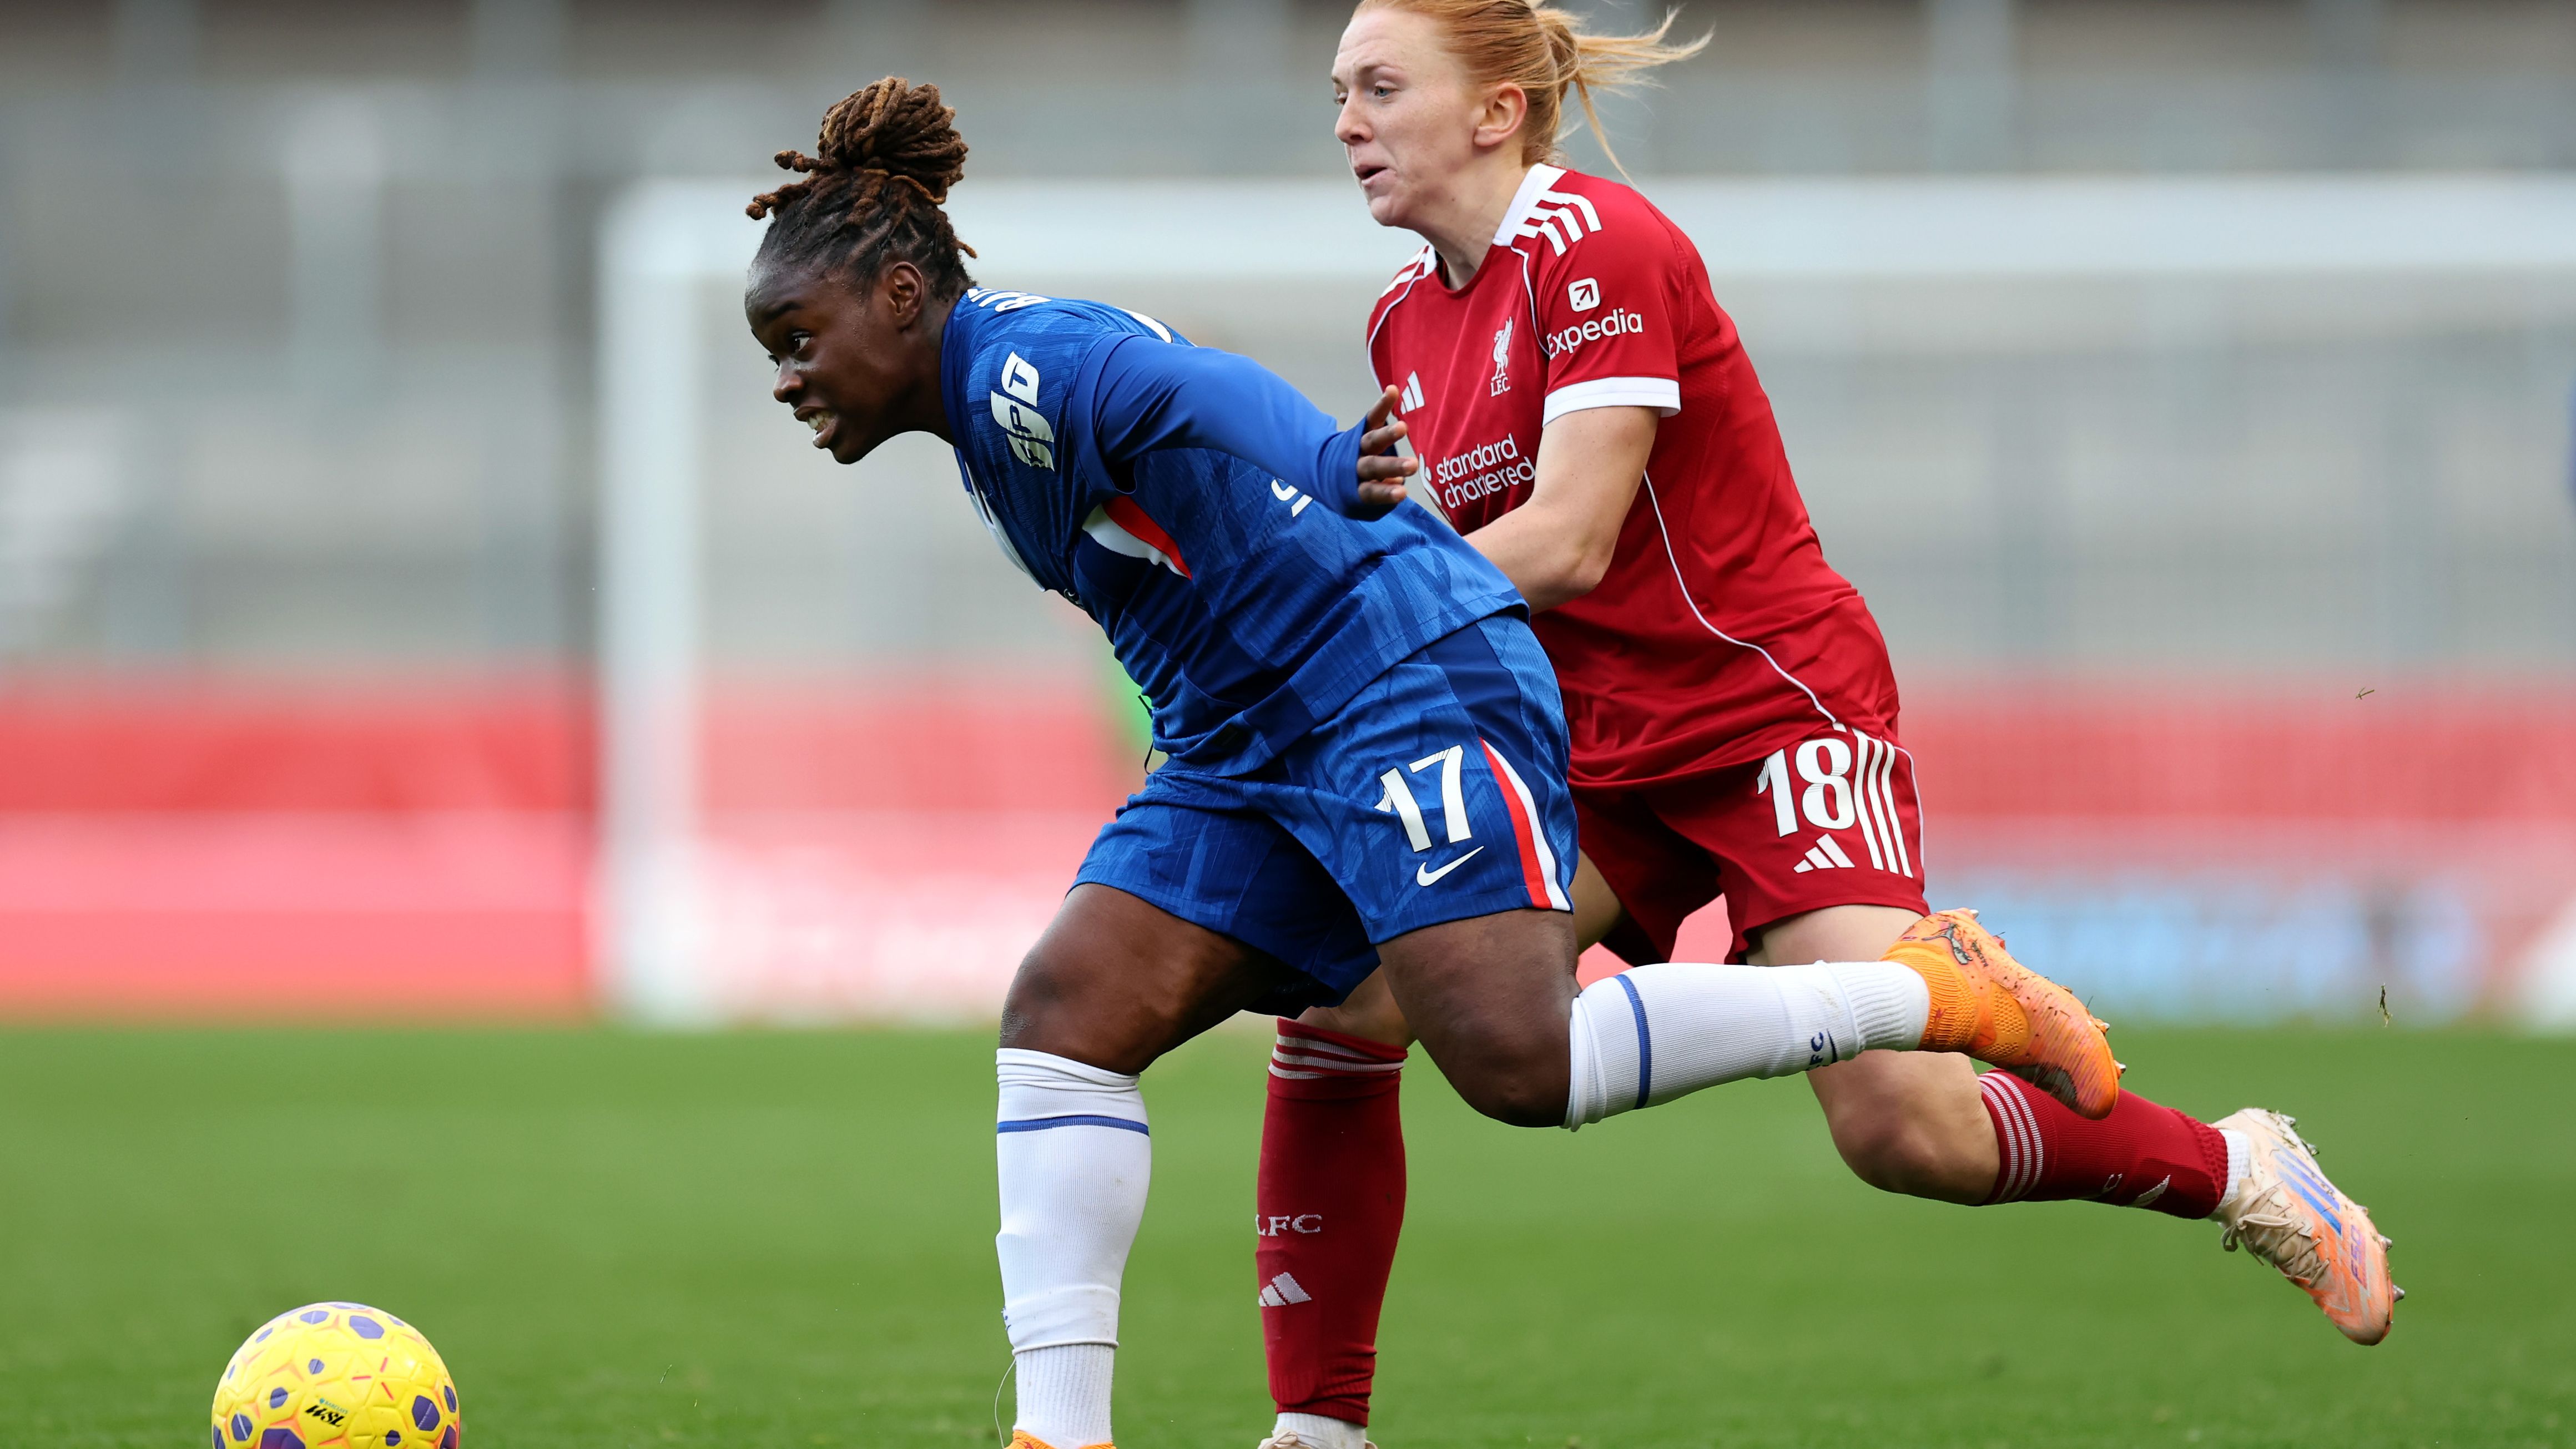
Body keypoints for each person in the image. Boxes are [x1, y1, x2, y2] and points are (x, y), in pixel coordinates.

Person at [744, 78, 2120, 1449]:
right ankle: (1069, 1435)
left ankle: (1914, 992)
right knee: (1064, 1015)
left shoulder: (1024, 366)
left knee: (1519, 1065)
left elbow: (1191, 386)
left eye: (798, 337)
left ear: (901, 296)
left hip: (1389, 682)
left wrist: (1327, 456)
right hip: (1245, 741)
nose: (789, 377)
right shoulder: (987, 413)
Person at [1248, 6, 2403, 1446]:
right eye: (1339, 90)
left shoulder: (1600, 243)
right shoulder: (1404, 315)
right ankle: (1317, 1430)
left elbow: (1571, 537)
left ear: (1491, 112)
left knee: (1902, 1132)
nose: (1346, 119)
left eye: (1378, 86)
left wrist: (1324, 609)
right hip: (1587, 743)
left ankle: (2239, 1169)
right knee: (1352, 992)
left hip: (1760, 707)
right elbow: (1480, 579)